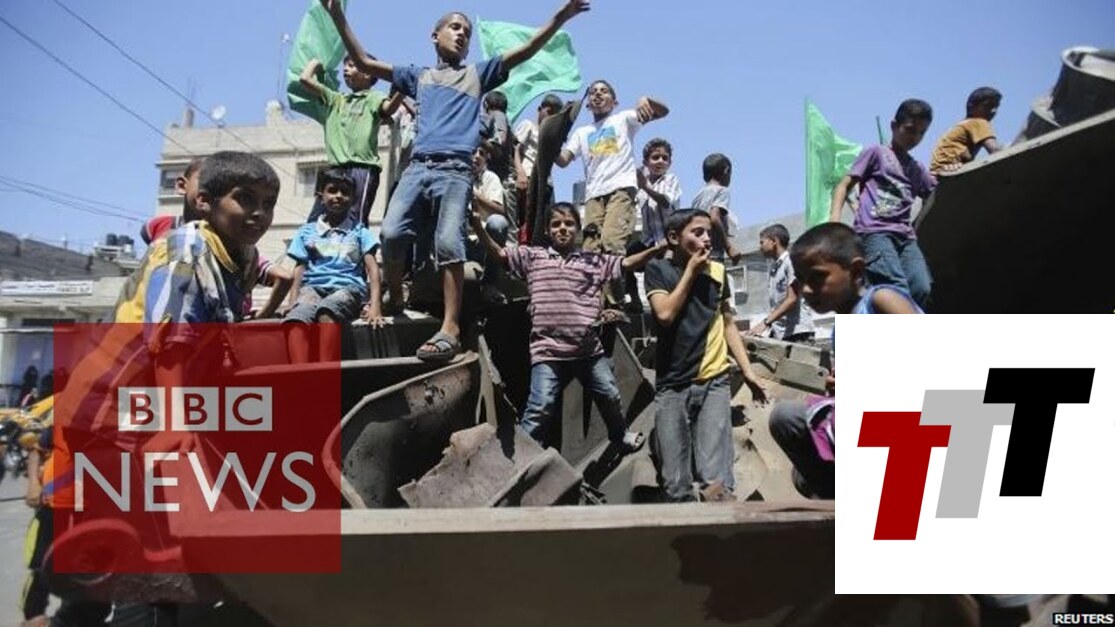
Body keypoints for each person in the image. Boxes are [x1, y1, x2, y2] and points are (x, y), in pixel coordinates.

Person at [321, 0, 591, 362]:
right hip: (418, 167)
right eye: (455, 27)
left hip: (455, 171)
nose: (462, 34)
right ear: (435, 36)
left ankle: (450, 327)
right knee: (391, 233)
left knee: (449, 242)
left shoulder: (478, 74)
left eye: (467, 31)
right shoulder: (418, 77)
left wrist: (560, 17)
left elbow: (526, 50)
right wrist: (337, 16)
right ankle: (397, 296)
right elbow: (366, 63)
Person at [472, 202, 663, 452]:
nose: (562, 228)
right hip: (547, 351)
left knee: (609, 394)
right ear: (548, 230)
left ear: (578, 229)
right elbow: (499, 254)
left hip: (587, 350)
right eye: (556, 224)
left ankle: (620, 436)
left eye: (569, 224)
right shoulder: (533, 257)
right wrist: (477, 225)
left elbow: (626, 264)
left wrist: (657, 249)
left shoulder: (593, 262)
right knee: (540, 407)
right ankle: (527, 459)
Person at [770, 222, 921, 499]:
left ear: (857, 271)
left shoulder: (881, 300)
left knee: (795, 421)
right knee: (791, 430)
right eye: (801, 280)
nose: (806, 290)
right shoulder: (841, 329)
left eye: (817, 277)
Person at [645, 209, 768, 502]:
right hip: (673, 383)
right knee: (676, 482)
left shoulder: (718, 272)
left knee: (717, 480)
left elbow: (727, 323)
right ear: (673, 238)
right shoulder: (657, 270)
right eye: (697, 232)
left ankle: (720, 526)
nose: (706, 239)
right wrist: (691, 272)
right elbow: (665, 314)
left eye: (709, 233)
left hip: (715, 380)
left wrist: (748, 372)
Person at [556, 80, 669, 308]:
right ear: (588, 104)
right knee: (590, 250)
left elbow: (663, 111)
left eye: (604, 91)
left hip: (620, 190)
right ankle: (593, 304)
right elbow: (563, 161)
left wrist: (645, 100)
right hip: (593, 196)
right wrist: (552, 135)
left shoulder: (624, 119)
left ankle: (614, 304)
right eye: (593, 92)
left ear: (614, 102)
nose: (598, 94)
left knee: (611, 243)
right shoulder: (581, 132)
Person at [141, 156, 292, 319]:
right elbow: (172, 333)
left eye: (268, 204)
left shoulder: (245, 253)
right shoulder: (187, 255)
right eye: (245, 199)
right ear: (204, 201)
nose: (259, 212)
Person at [829, 99, 937, 310]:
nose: (915, 137)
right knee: (896, 288)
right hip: (875, 232)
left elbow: (935, 192)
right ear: (894, 126)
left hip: (905, 237)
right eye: (910, 129)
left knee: (921, 288)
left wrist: (953, 165)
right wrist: (834, 222)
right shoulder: (876, 153)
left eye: (922, 133)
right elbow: (844, 185)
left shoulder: (917, 168)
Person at [284, 168, 383, 363]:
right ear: (321, 196)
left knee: (326, 311)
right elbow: (299, 268)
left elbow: (373, 270)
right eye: (332, 190)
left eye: (345, 192)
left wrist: (375, 306)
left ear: (353, 199)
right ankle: (298, 374)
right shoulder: (307, 232)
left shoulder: (360, 232)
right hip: (313, 288)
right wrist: (292, 301)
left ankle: (325, 370)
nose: (338, 196)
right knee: (296, 319)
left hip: (348, 288)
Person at [299, 55, 405, 226]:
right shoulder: (336, 99)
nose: (345, 69)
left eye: (351, 65)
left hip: (361, 168)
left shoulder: (374, 98)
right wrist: (316, 62)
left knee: (355, 221)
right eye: (345, 66)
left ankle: (355, 244)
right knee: (316, 221)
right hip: (335, 168)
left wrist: (403, 88)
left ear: (368, 73)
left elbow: (389, 108)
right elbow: (305, 80)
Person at [625, 138, 682, 312]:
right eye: (655, 157)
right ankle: (634, 299)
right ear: (646, 162)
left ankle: (669, 305)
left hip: (668, 241)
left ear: (670, 162)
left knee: (666, 275)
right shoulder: (640, 184)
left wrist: (646, 187)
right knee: (624, 260)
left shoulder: (670, 180)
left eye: (665, 158)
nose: (660, 161)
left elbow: (665, 201)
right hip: (648, 241)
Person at [746, 224, 815, 342]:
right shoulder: (775, 268)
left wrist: (765, 323)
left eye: (762, 242)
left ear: (773, 241)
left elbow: (792, 299)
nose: (759, 247)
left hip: (798, 333)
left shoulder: (791, 262)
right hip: (782, 333)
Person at [468, 144, 512, 305]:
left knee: (498, 222)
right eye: (473, 151)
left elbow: (500, 210)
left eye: (481, 153)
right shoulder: (456, 177)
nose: (477, 156)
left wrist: (474, 195)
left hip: (484, 241)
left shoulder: (491, 178)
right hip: (460, 240)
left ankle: (490, 283)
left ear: (486, 159)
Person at [513, 93, 564, 227]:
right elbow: (515, 149)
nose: (550, 116)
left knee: (547, 223)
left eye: (555, 115)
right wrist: (520, 173)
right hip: (529, 177)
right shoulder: (528, 125)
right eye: (549, 112)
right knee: (527, 221)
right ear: (540, 109)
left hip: (547, 183)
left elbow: (561, 161)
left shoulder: (551, 136)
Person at [929, 87, 1003, 174]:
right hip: (950, 172)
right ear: (971, 106)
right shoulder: (978, 122)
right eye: (988, 106)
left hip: (937, 174)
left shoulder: (960, 126)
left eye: (996, 107)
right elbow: (996, 152)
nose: (994, 111)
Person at [691, 153, 741, 263]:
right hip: (714, 251)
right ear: (726, 171)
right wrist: (728, 247)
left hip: (699, 251)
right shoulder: (722, 191)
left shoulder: (697, 196)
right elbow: (714, 217)